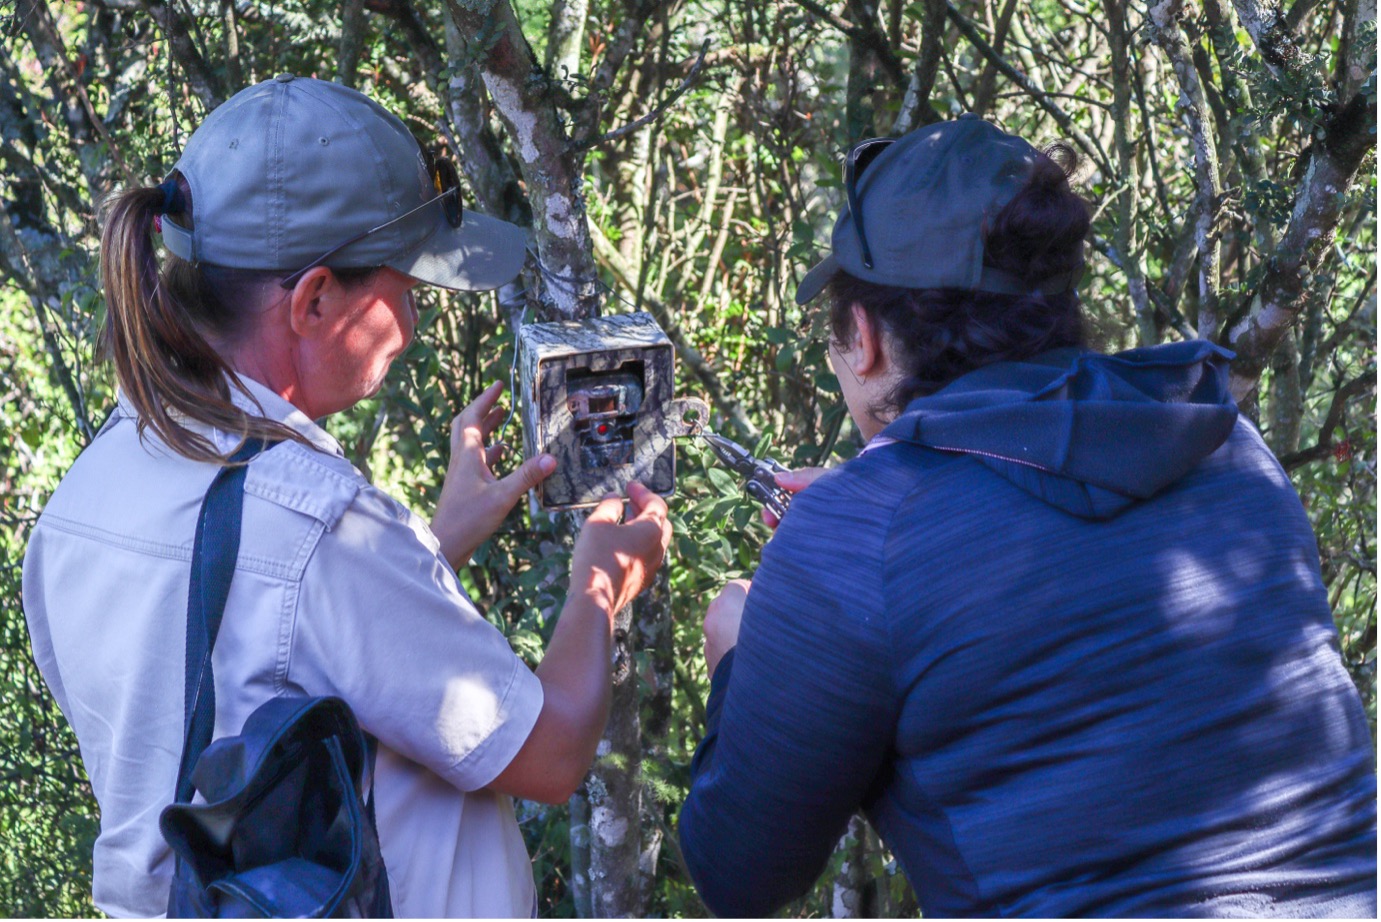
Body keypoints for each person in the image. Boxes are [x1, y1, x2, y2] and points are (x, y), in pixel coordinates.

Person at [677, 114, 1377, 917]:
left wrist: (736, 652)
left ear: (862, 339)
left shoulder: (859, 535)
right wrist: (873, 518)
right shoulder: (1222, 443)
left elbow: (739, 874)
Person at [22, 75, 671, 918]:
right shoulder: (314, 524)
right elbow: (548, 756)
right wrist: (600, 585)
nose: (416, 319)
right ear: (315, 299)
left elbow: (243, 672)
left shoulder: (93, 488)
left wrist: (431, 548)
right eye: (406, 284)